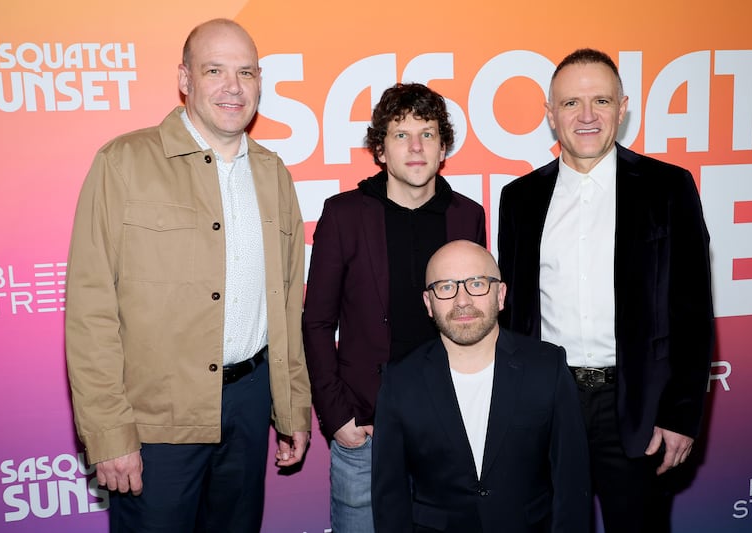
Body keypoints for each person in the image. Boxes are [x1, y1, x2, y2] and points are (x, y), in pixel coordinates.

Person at [65, 18, 311, 532]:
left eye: (246, 72)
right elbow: (91, 312)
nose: (233, 87)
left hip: (248, 404)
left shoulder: (273, 174)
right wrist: (109, 433)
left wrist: (291, 409)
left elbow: (288, 303)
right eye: (215, 70)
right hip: (157, 419)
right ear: (185, 78)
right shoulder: (123, 163)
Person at [498, 48, 714, 533]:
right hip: (547, 404)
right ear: (550, 115)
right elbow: (513, 319)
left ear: (623, 107)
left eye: (601, 100)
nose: (588, 116)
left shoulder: (669, 187)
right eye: (571, 104)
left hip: (637, 407)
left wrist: (682, 415)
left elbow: (693, 312)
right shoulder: (520, 198)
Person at [302, 83, 486, 532]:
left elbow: (480, 319)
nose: (416, 147)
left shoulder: (467, 215)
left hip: (451, 429)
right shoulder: (345, 214)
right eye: (401, 135)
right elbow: (316, 322)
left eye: (427, 133)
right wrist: (337, 415)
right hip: (366, 429)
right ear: (380, 149)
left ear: (444, 147)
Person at [371, 240, 590, 533]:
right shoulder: (400, 381)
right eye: (446, 286)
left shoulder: (547, 368)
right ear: (429, 304)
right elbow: (390, 499)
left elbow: (572, 484)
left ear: (500, 295)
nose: (462, 300)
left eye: (476, 283)